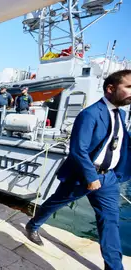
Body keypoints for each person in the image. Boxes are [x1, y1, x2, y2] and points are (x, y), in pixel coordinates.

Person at [25, 70, 131, 270]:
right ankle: (33, 225)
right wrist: (91, 176)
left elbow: (118, 142)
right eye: (128, 87)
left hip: (108, 179)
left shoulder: (122, 114)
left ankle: (114, 267)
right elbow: (78, 149)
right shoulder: (90, 114)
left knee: (110, 222)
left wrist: (116, 174)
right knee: (56, 203)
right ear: (110, 88)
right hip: (83, 175)